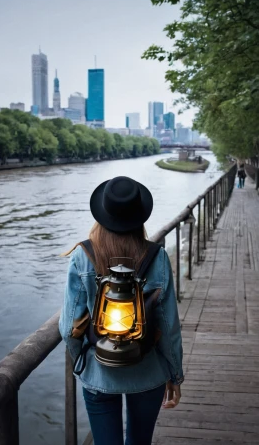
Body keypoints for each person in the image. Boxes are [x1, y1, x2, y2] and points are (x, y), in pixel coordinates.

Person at [59, 176, 184, 445]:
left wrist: (83, 360)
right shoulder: (157, 257)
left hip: (98, 372)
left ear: (102, 215)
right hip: (148, 371)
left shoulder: (83, 255)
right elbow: (168, 324)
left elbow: (69, 328)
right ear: (140, 217)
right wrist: (175, 375)